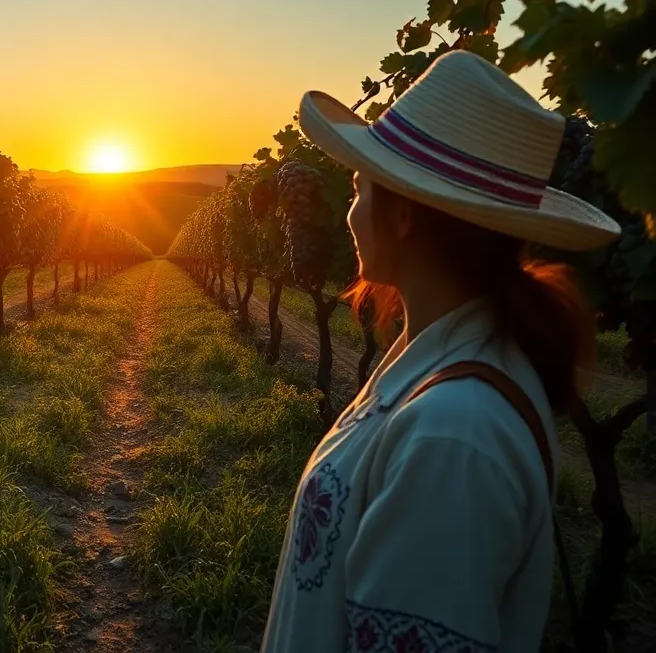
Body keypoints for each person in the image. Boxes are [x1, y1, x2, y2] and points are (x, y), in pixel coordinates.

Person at [260, 50, 620, 652]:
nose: (348, 212)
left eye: (358, 188)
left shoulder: (452, 440)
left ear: (402, 216)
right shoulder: (438, 364)